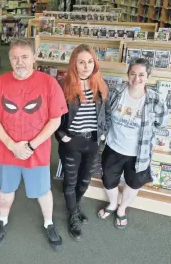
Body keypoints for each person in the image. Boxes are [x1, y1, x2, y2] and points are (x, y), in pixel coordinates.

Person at [0, 38, 68, 251]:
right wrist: (12, 145)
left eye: (24, 57)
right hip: (7, 149)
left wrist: (30, 146)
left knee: (43, 191)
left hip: (37, 151)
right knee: (6, 188)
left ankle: (49, 223)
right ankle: (2, 220)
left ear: (34, 57)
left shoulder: (49, 83)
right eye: (14, 57)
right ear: (9, 59)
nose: (19, 62)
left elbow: (55, 120)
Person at [98, 58, 169, 229]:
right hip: (113, 147)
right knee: (109, 180)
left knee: (133, 183)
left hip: (139, 153)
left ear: (148, 76)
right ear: (128, 74)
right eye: (133, 74)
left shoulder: (156, 100)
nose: (136, 78)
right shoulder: (116, 91)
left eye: (141, 75)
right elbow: (105, 114)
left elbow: (162, 123)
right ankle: (113, 204)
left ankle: (122, 209)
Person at [55, 44, 109, 241]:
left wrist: (103, 134)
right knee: (70, 181)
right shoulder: (63, 86)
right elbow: (54, 116)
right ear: (74, 64)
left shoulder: (100, 86)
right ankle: (73, 216)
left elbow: (106, 114)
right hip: (72, 141)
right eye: (81, 62)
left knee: (85, 180)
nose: (86, 66)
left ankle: (75, 207)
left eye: (89, 62)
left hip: (93, 142)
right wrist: (63, 136)